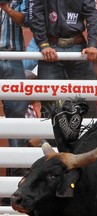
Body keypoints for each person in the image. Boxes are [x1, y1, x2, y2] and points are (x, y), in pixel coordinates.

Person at [29, 0, 97, 118]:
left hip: (79, 49)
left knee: (88, 100)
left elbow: (92, 16)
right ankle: (50, 136)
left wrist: (92, 45)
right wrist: (43, 44)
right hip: (50, 50)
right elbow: (36, 17)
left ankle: (89, 136)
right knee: (49, 103)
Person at [0, 1, 29, 153]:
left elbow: (26, 21)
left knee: (17, 111)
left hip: (13, 56)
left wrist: (6, 8)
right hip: (12, 59)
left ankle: (18, 163)